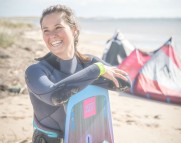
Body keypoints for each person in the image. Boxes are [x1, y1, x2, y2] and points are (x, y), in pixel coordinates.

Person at [25, 4, 130, 143]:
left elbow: (125, 82)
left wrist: (90, 74)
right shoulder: (35, 71)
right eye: (46, 30)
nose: (52, 35)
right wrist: (96, 72)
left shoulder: (89, 62)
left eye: (58, 28)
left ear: (74, 30)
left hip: (87, 137)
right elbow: (54, 96)